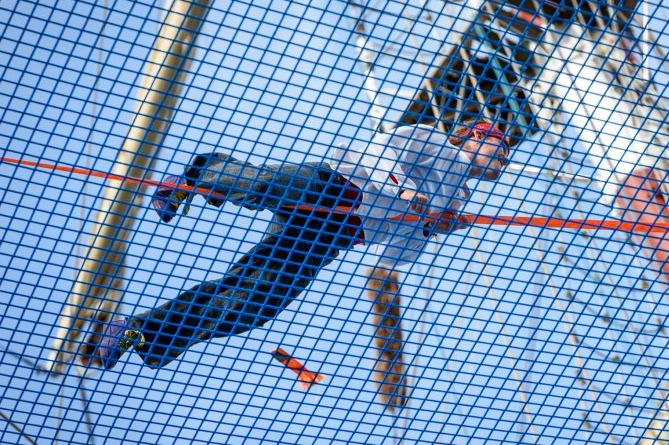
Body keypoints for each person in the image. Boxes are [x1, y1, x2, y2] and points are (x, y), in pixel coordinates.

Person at [96, 122, 510, 369]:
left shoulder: (458, 202)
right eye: (501, 147)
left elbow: (395, 254)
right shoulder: (432, 140)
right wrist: (404, 191)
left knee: (257, 301)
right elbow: (379, 150)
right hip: (334, 186)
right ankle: (193, 180)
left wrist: (430, 232)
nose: (505, 158)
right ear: (476, 135)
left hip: (333, 236)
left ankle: (142, 332)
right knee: (262, 185)